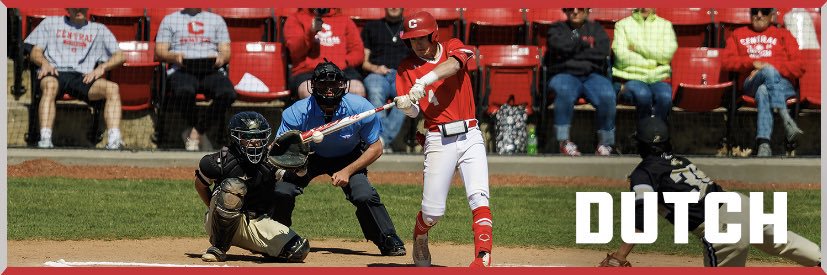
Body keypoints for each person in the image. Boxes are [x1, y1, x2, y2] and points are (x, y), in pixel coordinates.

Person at [598, 116, 821, 267]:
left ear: (643, 145)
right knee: (787, 244)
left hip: (722, 229)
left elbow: (642, 215)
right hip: (741, 206)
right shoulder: (679, 161)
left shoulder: (643, 173)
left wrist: (620, 255)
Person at [274, 61, 406, 257]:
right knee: (282, 190)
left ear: (343, 85)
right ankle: (277, 239)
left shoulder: (360, 107)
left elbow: (376, 147)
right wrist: (296, 166)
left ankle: (387, 238)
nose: (329, 90)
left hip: (349, 157)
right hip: (309, 155)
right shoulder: (296, 111)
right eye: (323, 85)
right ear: (313, 86)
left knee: (363, 194)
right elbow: (280, 149)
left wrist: (348, 171)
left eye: (334, 85)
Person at [394, 11, 493, 267]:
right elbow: (417, 110)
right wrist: (406, 107)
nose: (417, 44)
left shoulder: (452, 46)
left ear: (433, 34)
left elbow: (456, 64)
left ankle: (482, 258)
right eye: (412, 39)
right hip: (438, 138)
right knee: (432, 213)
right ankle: (420, 233)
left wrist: (425, 80)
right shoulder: (406, 67)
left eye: (422, 38)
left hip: (470, 134)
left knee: (479, 197)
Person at [194, 111, 310, 263]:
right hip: (218, 222)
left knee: (298, 250)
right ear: (235, 137)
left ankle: (260, 247)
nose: (255, 141)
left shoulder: (271, 160)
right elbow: (199, 185)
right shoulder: (218, 162)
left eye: (259, 136)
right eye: (248, 137)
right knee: (233, 187)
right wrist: (216, 210)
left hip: (256, 222)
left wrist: (301, 169)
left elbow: (295, 180)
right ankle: (219, 247)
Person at [24, 8, 126, 149]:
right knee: (50, 86)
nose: (78, 9)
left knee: (112, 88)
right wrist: (44, 63)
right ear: (67, 8)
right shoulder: (50, 23)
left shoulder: (99, 29)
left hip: (82, 77)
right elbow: (35, 52)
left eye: (82, 6)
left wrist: (102, 68)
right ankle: (45, 139)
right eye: (74, 6)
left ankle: (114, 140)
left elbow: (120, 56)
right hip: (55, 72)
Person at [722, 8, 804, 157]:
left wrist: (767, 65)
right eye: (755, 11)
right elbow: (726, 61)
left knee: (764, 89)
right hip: (750, 83)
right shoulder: (738, 34)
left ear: (772, 16)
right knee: (767, 73)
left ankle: (763, 144)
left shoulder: (783, 34)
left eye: (764, 11)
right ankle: (786, 118)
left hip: (782, 85)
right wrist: (752, 63)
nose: (759, 15)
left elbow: (800, 66)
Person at [155, 8, 237, 151]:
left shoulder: (216, 19)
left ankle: (196, 132)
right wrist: (174, 57)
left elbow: (226, 51)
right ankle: (201, 134)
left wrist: (221, 58)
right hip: (182, 69)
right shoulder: (170, 19)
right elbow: (160, 50)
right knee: (183, 91)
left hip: (211, 69)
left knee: (228, 93)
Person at [545, 8, 616, 156]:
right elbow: (556, 46)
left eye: (580, 8)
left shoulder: (596, 29)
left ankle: (605, 143)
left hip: (592, 75)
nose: (575, 11)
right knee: (563, 91)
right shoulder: (557, 28)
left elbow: (603, 51)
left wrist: (572, 50)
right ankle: (564, 141)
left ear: (587, 10)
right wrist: (585, 44)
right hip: (564, 73)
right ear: (566, 10)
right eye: (571, 8)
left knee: (607, 94)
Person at [284, 8, 366, 99]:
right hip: (308, 72)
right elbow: (295, 51)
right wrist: (311, 32)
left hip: (341, 70)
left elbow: (358, 52)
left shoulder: (344, 19)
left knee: (357, 90)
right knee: (308, 91)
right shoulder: (295, 18)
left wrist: (343, 62)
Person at [612, 8, 677, 121]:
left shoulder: (665, 25)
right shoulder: (622, 25)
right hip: (631, 78)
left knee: (665, 97)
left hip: (658, 78)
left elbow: (666, 55)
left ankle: (657, 133)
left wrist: (636, 47)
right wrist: (654, 62)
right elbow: (621, 57)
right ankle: (643, 133)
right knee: (643, 96)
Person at [361, 8, 410, 152]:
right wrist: (375, 68)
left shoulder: (410, 28)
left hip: (402, 75)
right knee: (375, 91)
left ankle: (380, 140)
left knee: (405, 97)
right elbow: (364, 62)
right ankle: (380, 140)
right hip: (377, 73)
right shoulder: (371, 27)